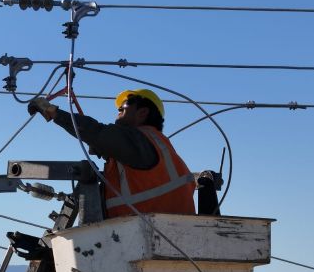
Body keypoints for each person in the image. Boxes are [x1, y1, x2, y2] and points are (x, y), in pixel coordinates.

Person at [28, 89, 195, 218]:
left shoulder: (140, 139)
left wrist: (52, 111)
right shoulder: (156, 145)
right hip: (162, 233)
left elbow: (97, 132)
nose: (118, 110)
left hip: (145, 232)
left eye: (124, 105)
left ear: (143, 113)